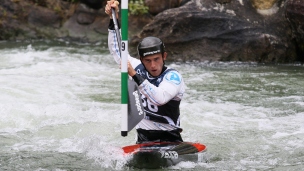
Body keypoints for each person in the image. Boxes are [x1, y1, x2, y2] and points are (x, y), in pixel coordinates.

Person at [105, 0, 185, 144]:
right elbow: (118, 52)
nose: (153, 65)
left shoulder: (173, 77)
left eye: (157, 59)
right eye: (148, 61)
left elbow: (159, 99)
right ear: (141, 60)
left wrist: (134, 75)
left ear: (164, 56)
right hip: (143, 138)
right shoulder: (138, 66)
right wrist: (113, 19)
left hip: (170, 139)